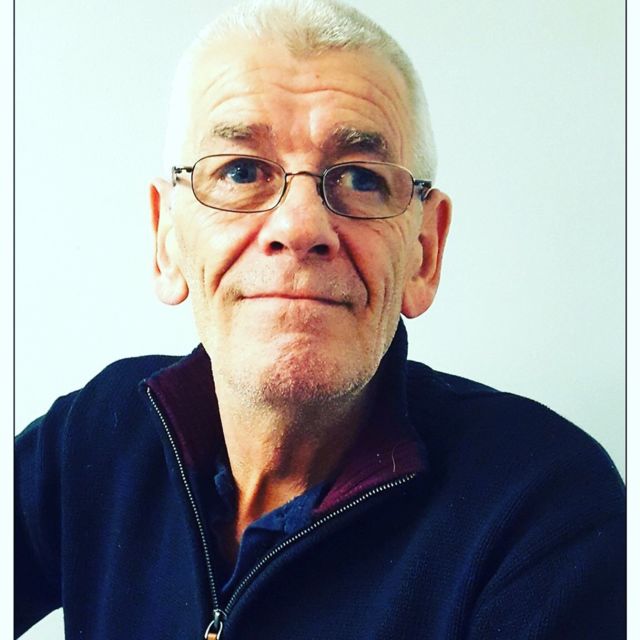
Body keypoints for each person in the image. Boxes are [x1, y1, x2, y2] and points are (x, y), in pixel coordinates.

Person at [15, 1, 625, 638]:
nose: (301, 225)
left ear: (424, 251)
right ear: (166, 238)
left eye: (360, 179)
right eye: (241, 172)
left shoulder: (545, 512)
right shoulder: (90, 436)